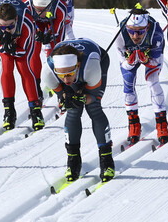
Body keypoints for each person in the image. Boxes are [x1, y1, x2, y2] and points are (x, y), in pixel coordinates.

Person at [42, 39, 114, 183]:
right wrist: (66, 97)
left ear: (78, 65)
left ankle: (106, 160)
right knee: (73, 110)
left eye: (69, 74)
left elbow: (92, 97)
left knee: (94, 108)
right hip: (75, 68)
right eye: (61, 75)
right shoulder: (48, 73)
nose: (65, 79)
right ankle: (73, 160)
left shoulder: (91, 68)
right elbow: (63, 94)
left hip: (98, 60)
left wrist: (82, 98)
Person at [0, 0, 44, 131]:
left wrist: (12, 47)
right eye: (2, 27)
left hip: (22, 40)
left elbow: (22, 50)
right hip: (5, 41)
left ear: (16, 19)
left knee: (23, 67)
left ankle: (36, 111)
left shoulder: (26, 23)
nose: (6, 29)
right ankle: (9, 111)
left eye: (10, 26)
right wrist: (5, 44)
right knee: (7, 66)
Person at [114, 8, 168, 145]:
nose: (135, 36)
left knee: (152, 81)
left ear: (147, 27)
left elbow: (156, 61)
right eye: (131, 30)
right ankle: (133, 124)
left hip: (150, 57)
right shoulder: (119, 33)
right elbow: (123, 63)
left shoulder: (156, 32)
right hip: (130, 58)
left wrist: (146, 60)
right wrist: (130, 62)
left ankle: (162, 124)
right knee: (128, 84)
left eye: (140, 31)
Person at [25, 0, 68, 99]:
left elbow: (57, 28)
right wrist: (37, 32)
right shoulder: (26, 6)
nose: (41, 13)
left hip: (53, 21)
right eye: (38, 9)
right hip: (36, 23)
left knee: (56, 51)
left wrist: (49, 34)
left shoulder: (60, 7)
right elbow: (28, 26)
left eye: (44, 9)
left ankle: (59, 83)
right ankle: (36, 85)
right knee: (34, 51)